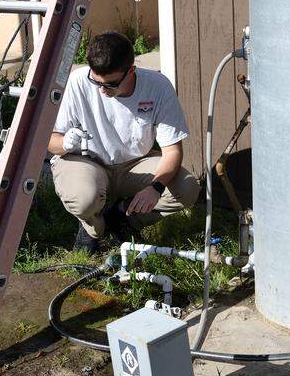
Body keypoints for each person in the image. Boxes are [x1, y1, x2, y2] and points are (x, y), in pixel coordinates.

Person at [49, 30, 200, 253]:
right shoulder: (78, 81)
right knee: (84, 199)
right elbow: (50, 141)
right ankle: (93, 229)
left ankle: (123, 217)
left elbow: (173, 152)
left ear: (131, 71)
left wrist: (155, 187)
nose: (102, 89)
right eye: (95, 81)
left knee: (187, 188)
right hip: (87, 161)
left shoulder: (158, 86)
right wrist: (64, 143)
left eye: (110, 84)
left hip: (135, 162)